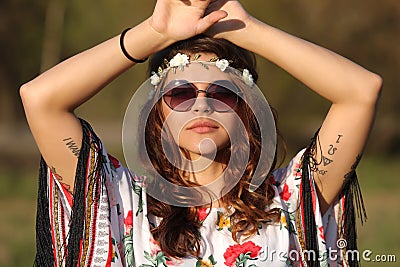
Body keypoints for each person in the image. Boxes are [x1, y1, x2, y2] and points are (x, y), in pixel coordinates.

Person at [20, 0, 382, 266]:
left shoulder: (290, 199)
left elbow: (360, 92)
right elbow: (41, 99)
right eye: (180, 93)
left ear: (246, 108)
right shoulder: (120, 200)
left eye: (223, 93)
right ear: (156, 112)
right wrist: (155, 33)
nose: (201, 105)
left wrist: (247, 28)